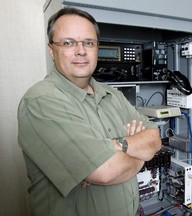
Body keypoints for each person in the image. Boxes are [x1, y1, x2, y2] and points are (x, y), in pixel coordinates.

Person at [17, 7, 161, 216]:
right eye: (68, 43)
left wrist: (116, 146)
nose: (81, 51)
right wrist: (141, 153)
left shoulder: (112, 95)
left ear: (96, 48)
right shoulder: (41, 101)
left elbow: (155, 137)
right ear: (51, 50)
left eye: (88, 43)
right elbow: (106, 171)